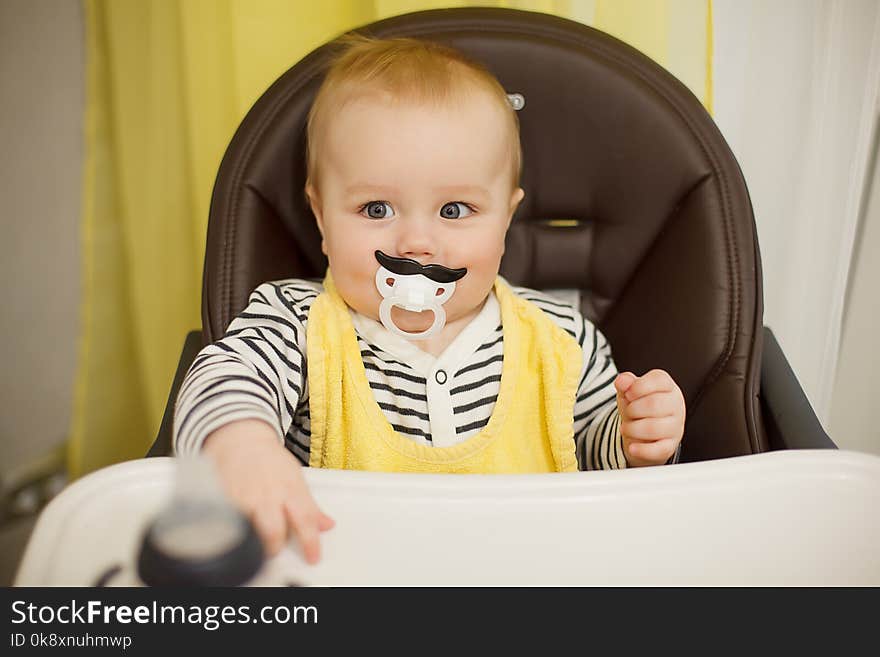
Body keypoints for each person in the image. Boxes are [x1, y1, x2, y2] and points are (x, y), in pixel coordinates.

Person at [174, 35, 686, 564]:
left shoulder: (561, 338)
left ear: (506, 218)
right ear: (322, 216)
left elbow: (595, 470)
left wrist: (636, 440)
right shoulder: (297, 324)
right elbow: (224, 377)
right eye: (376, 209)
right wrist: (242, 447)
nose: (416, 242)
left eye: (455, 210)